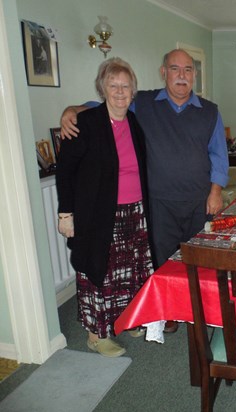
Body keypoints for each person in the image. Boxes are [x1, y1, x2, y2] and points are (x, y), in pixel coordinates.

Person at [61, 49, 229, 333]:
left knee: (199, 259)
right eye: (175, 69)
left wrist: (215, 192)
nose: (182, 75)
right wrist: (72, 110)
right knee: (162, 262)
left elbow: (219, 156)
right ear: (163, 72)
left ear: (195, 75)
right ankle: (171, 313)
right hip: (157, 202)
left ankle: (199, 311)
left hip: (198, 201)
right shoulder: (145, 103)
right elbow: (110, 104)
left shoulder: (210, 111)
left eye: (188, 70)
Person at [56, 57, 153, 357]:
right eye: (114, 85)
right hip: (99, 216)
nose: (120, 91)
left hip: (134, 213)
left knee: (130, 273)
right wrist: (65, 213)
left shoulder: (133, 122)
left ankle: (124, 320)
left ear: (133, 91)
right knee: (100, 272)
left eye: (126, 86)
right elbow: (65, 169)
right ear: (103, 88)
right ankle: (96, 335)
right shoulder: (85, 123)